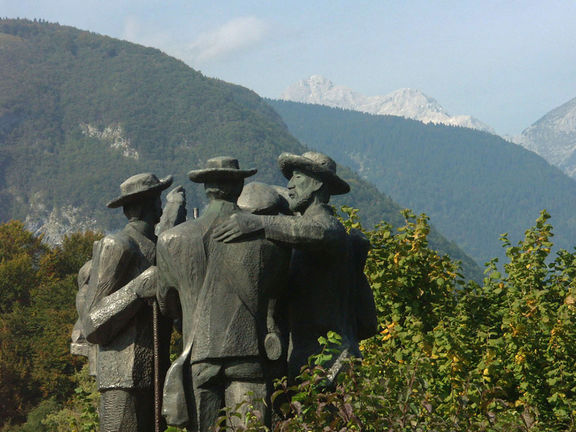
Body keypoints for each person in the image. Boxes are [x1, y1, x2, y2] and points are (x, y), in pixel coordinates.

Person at [213, 151, 377, 381]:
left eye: (297, 178)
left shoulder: (328, 228)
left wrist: (258, 223)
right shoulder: (305, 233)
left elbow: (314, 230)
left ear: (317, 183)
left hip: (329, 360)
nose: (289, 185)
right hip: (311, 356)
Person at [157, 157, 291, 431]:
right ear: (240, 185)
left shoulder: (171, 240)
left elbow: (167, 304)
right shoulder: (269, 239)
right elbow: (279, 296)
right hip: (250, 352)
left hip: (199, 352)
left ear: (206, 188)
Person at [82, 173, 185, 432]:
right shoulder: (117, 245)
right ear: (142, 206)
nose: (161, 207)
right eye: (156, 200)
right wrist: (135, 290)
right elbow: (91, 324)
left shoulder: (160, 248)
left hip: (155, 376)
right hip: (121, 381)